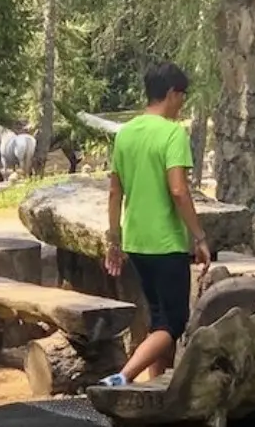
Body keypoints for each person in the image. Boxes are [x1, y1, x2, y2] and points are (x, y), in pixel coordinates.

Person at [99, 61, 210, 387]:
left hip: (136, 242)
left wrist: (114, 241)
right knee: (173, 323)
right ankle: (123, 377)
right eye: (182, 97)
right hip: (166, 243)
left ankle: (155, 392)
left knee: (159, 322)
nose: (182, 105)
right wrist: (199, 236)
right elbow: (178, 189)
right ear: (173, 94)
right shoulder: (173, 133)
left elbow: (114, 193)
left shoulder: (125, 134)